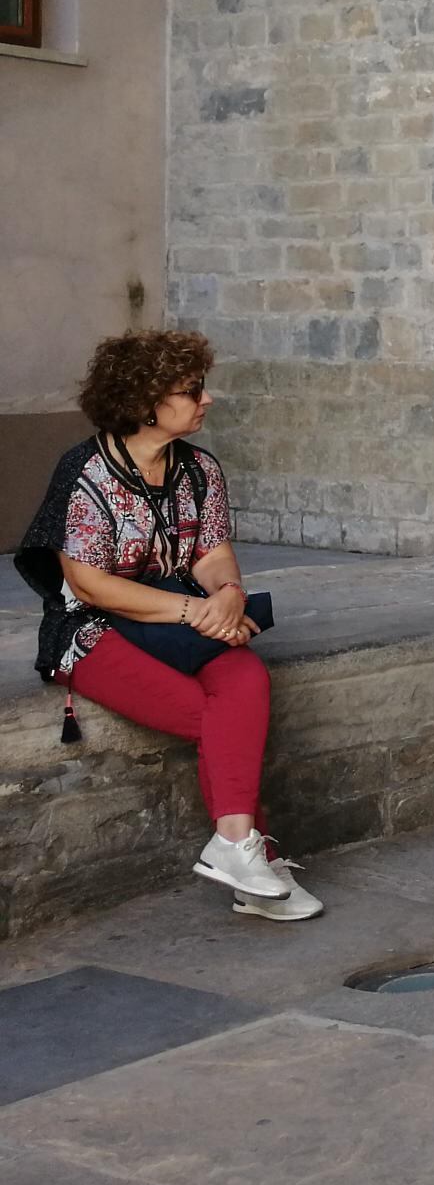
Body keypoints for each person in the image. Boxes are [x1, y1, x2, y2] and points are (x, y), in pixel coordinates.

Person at [11, 330, 320, 920]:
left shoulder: (199, 469)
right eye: (192, 390)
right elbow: (89, 584)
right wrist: (195, 612)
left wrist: (227, 594)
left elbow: (212, 553)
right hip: (91, 632)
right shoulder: (86, 471)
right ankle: (259, 862)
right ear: (146, 400)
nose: (207, 399)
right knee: (222, 719)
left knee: (246, 677)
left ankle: (238, 853)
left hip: (178, 623)